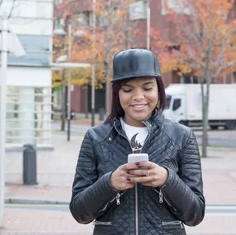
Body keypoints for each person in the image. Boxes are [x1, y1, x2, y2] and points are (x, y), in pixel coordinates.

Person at [69, 48, 205, 234]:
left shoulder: (182, 136)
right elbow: (79, 212)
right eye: (127, 89)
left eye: (147, 88)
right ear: (117, 93)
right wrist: (109, 183)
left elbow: (195, 214)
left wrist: (167, 180)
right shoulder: (96, 138)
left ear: (159, 90)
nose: (138, 96)